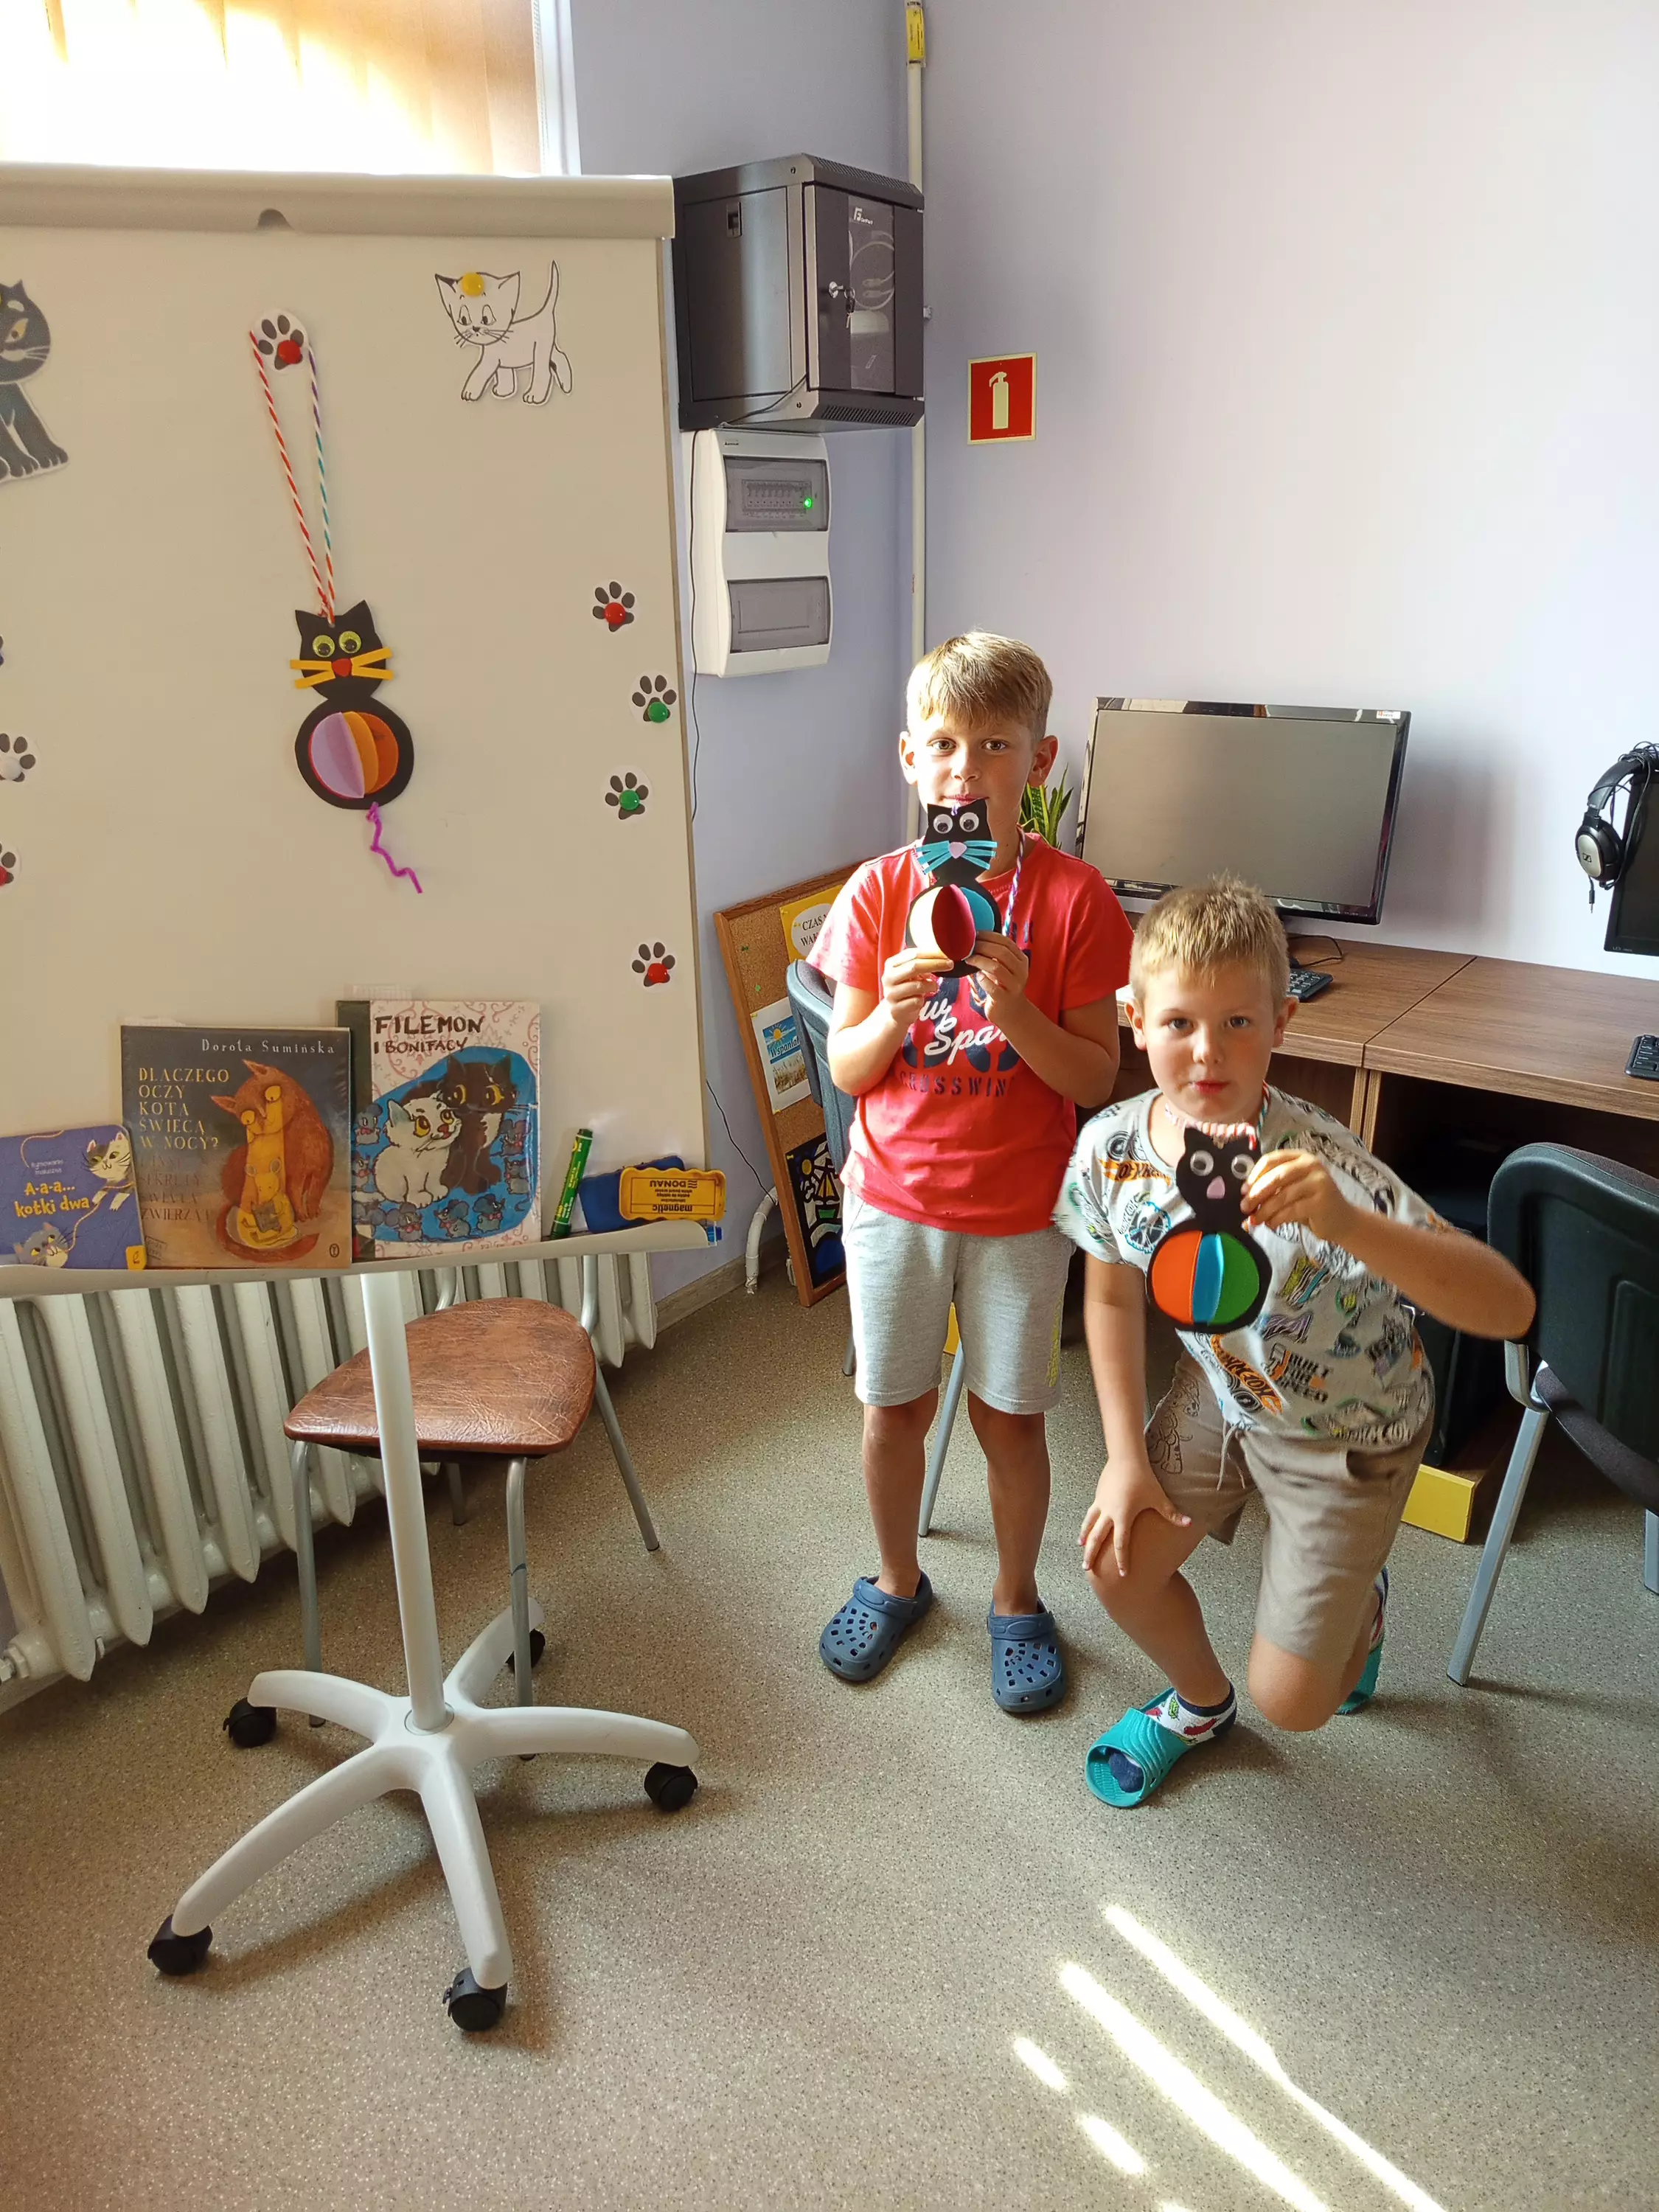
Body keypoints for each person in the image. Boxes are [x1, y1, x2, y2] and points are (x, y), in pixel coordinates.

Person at [1054, 877, 1534, 1802]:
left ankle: (1363, 1602)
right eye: (1180, 1022)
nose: (1207, 1052)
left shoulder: (1325, 1165)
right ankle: (1200, 1705)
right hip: (1225, 1391)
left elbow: (1509, 1308)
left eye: (1238, 1022)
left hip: (1350, 1428)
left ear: (1282, 1021)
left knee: (1298, 1702)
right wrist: (1123, 1458)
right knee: (1116, 1568)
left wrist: (1350, 1225)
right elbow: (1109, 1297)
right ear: (1135, 1021)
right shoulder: (1111, 1147)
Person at [810, 632, 1132, 1710]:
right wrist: (892, 1015)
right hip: (892, 1203)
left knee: (1011, 1418)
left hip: (1019, 1211)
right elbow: (848, 1068)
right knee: (891, 1409)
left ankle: (1014, 1596)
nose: (965, 768)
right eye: (944, 745)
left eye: (994, 746)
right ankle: (897, 1578)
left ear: (1037, 763)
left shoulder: (1075, 900)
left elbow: (1093, 1077)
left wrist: (1018, 1010)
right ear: (911, 759)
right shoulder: (877, 892)